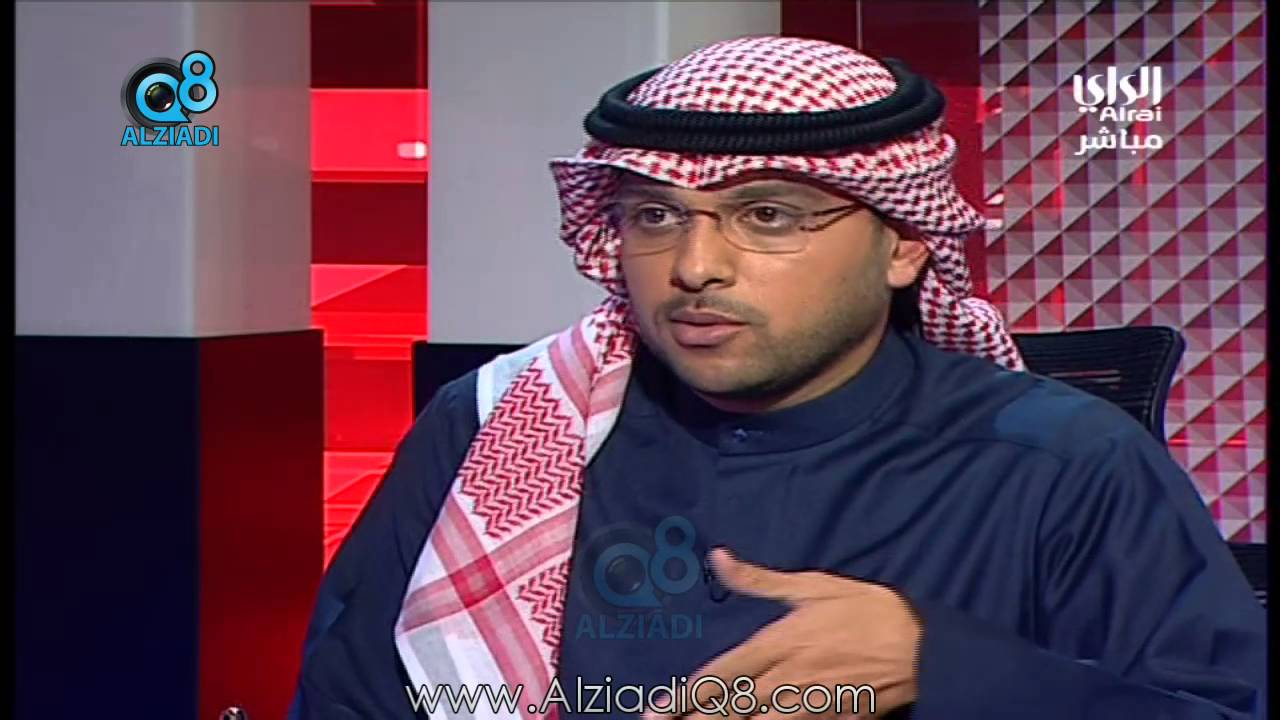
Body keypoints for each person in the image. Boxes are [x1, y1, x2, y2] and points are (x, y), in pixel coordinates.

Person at [290, 36, 1266, 719]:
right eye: (654, 216)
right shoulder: (497, 425)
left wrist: (950, 670)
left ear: (902, 244)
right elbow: (352, 698)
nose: (694, 267)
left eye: (766, 216)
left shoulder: (1067, 464)